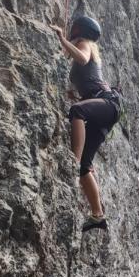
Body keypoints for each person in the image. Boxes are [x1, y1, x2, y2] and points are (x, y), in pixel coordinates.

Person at [51, 15, 121, 232]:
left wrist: (63, 40)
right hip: (105, 110)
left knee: (77, 111)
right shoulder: (86, 45)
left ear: (79, 30)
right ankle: (98, 215)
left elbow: (81, 58)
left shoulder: (85, 44)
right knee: (85, 168)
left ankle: (74, 159)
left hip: (107, 103)